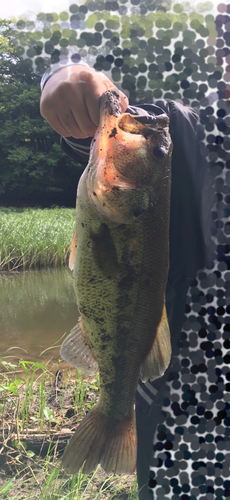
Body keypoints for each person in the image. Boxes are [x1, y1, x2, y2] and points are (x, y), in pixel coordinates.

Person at [40, 62, 212, 499]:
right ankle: (115, 415)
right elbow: (109, 131)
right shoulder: (183, 129)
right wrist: (67, 78)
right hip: (182, 395)